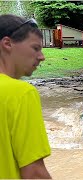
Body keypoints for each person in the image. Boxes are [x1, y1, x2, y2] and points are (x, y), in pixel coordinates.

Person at [0, 14, 51, 179]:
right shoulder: (21, 94)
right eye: (35, 48)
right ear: (7, 44)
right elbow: (35, 174)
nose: (42, 57)